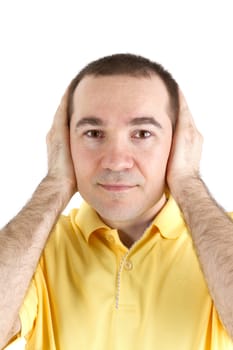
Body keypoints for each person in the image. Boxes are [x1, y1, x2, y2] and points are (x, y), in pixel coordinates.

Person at [1, 53, 233, 350]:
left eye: (142, 133)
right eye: (93, 133)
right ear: (65, 142)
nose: (116, 161)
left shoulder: (221, 239)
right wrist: (56, 183)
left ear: (178, 143)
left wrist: (187, 182)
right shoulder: (37, 244)